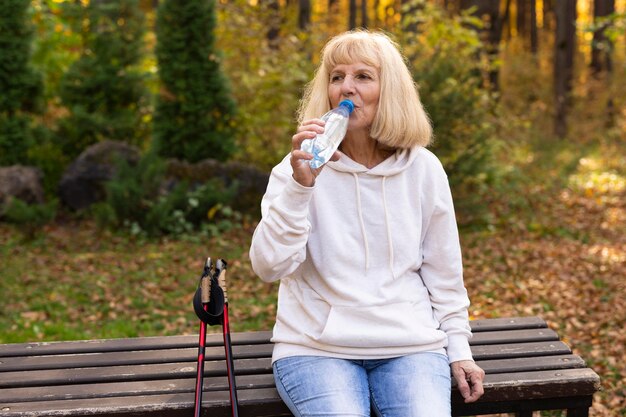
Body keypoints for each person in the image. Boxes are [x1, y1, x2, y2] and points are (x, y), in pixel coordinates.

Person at [249, 30, 485, 417]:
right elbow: (268, 267)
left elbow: (444, 273)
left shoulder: (423, 169)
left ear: (388, 89)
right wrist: (300, 188)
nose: (347, 88)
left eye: (363, 77)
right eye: (337, 76)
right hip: (316, 349)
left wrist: (459, 349)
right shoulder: (296, 169)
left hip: (410, 345)